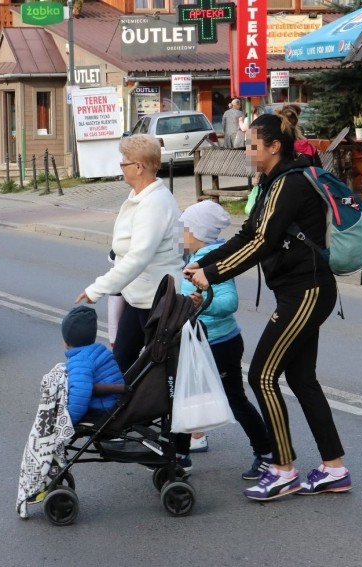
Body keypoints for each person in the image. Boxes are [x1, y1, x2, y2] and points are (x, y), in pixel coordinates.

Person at [183, 110, 352, 501]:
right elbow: (248, 233)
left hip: (306, 292)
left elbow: (262, 244)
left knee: (261, 375)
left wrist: (214, 274)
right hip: (300, 290)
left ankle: (282, 469)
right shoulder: (273, 181)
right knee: (302, 379)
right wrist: (204, 263)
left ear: (275, 147)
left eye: (253, 145)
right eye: (247, 144)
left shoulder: (290, 185)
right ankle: (334, 468)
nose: (247, 150)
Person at [75, 134, 189, 465]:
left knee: (166, 376)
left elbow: (139, 256)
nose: (121, 168)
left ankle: (177, 450)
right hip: (137, 296)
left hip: (159, 302)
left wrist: (98, 288)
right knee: (121, 361)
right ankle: (113, 425)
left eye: (124, 162)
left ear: (139, 166)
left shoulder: (155, 202)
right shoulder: (138, 195)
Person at [179, 201, 274, 478]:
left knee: (234, 399)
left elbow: (229, 302)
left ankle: (266, 452)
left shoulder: (212, 259)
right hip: (197, 341)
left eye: (183, 229)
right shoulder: (194, 256)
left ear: (197, 232)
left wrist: (201, 303)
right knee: (186, 397)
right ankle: (181, 455)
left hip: (219, 343)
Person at [60, 305, 125, 425]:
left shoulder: (80, 361)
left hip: (102, 410)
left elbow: (79, 395)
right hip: (116, 402)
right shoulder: (100, 350)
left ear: (67, 341)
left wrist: (67, 422)